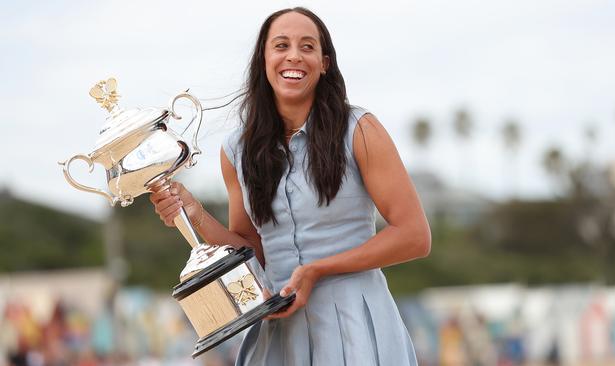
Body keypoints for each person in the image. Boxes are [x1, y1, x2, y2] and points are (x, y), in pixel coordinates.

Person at [150, 7, 430, 365]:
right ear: (264, 59)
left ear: (324, 62)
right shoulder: (236, 150)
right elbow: (253, 252)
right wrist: (196, 214)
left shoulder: (360, 130)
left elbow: (414, 236)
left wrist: (318, 269)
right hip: (279, 332)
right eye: (281, 45)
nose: (294, 56)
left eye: (307, 46)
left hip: (356, 321)